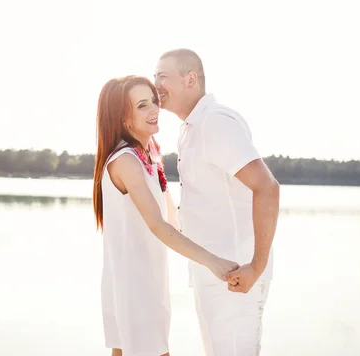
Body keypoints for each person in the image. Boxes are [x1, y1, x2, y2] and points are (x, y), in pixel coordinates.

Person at [92, 75, 239, 356]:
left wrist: (219, 239)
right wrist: (212, 262)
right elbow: (158, 225)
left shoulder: (150, 153)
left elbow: (172, 217)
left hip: (148, 278)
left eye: (154, 102)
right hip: (132, 283)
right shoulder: (125, 161)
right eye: (142, 106)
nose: (154, 110)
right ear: (123, 117)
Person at [154, 49, 280, 356]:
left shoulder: (215, 123)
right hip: (213, 271)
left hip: (237, 273)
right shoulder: (191, 129)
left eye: (162, 77)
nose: (155, 84)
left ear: (191, 79)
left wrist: (256, 267)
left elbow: (267, 187)